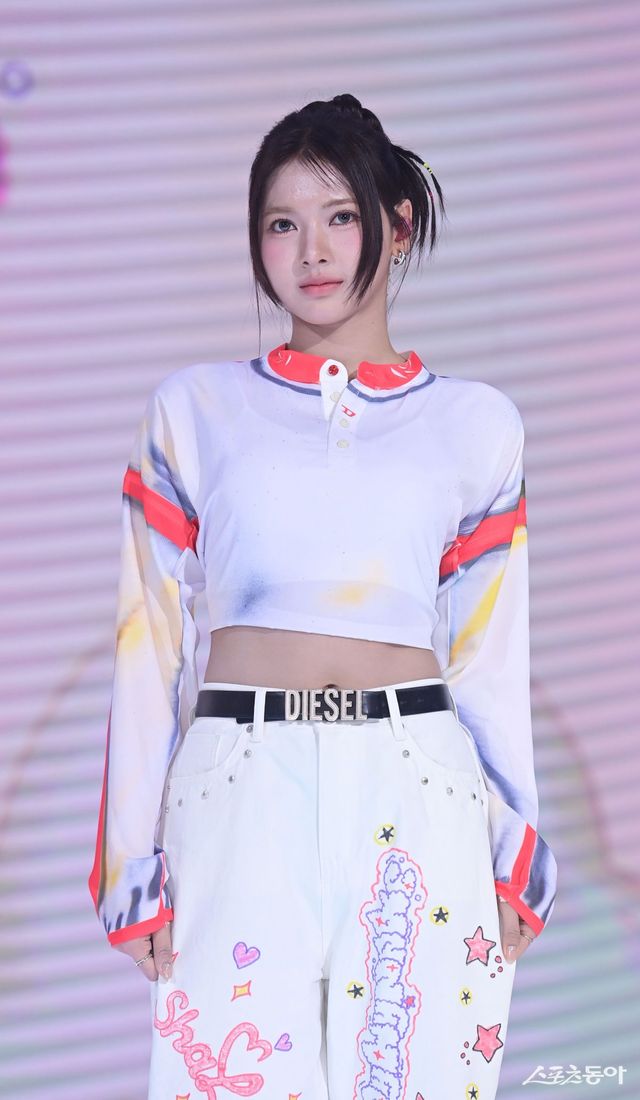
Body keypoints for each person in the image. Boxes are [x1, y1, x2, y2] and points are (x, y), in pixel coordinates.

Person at [88, 93, 557, 1099]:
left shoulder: (477, 425)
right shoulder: (195, 410)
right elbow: (148, 640)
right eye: (281, 223)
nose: (312, 251)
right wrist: (129, 862)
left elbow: (489, 655)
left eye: (341, 216)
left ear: (397, 223)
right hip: (238, 787)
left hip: (418, 789)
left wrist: (515, 840)